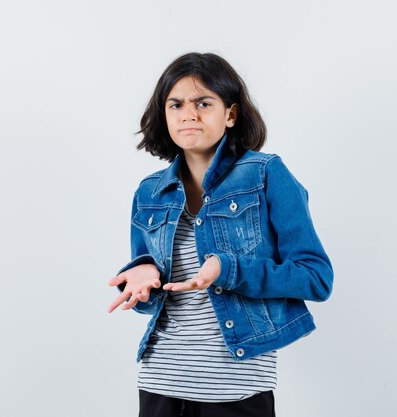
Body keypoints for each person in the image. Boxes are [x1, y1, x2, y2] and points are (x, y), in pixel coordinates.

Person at [107, 52, 333, 417]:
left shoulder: (266, 175)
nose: (188, 114)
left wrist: (227, 269)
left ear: (230, 114)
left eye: (204, 103)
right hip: (160, 381)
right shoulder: (148, 192)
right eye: (175, 104)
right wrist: (143, 275)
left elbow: (315, 277)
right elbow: (154, 298)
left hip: (238, 388)